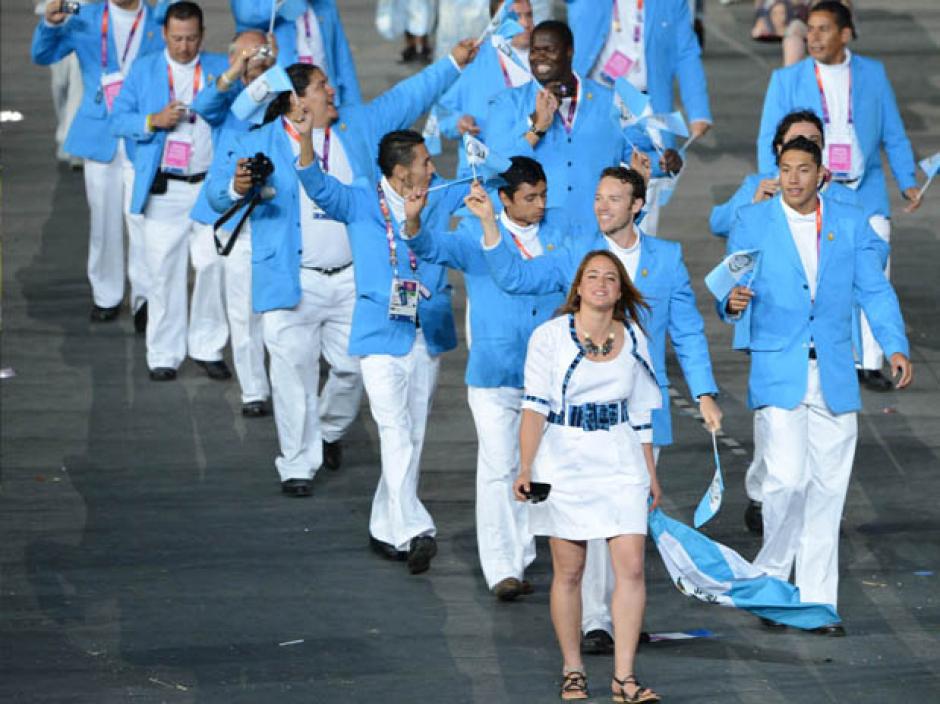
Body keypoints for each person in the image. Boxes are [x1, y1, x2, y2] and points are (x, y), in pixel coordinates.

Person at [207, 42, 477, 493]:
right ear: (295, 100)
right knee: (292, 372)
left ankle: (329, 430)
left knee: (353, 369)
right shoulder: (256, 141)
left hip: (357, 279)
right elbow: (216, 197)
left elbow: (409, 95)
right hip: (292, 279)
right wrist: (236, 187)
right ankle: (296, 464)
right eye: (321, 86)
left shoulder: (358, 127)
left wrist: (453, 61)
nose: (332, 91)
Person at [481, 166, 721, 654]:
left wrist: (704, 393)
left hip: (638, 419)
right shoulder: (577, 254)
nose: (602, 206)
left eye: (614, 198)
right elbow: (516, 277)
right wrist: (491, 226)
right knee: (582, 534)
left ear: (638, 205)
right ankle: (595, 622)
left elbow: (689, 332)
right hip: (574, 431)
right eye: (598, 197)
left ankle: (607, 622)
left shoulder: (667, 259)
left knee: (622, 529)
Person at [722, 136, 912, 633]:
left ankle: (816, 602)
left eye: (803, 169)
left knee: (828, 490)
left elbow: (874, 287)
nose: (793, 179)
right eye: (786, 168)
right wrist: (732, 303)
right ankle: (770, 582)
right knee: (786, 480)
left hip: (833, 370)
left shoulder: (848, 223)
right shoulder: (754, 220)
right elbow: (729, 281)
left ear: (821, 173)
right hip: (778, 367)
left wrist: (895, 346)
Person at [291, 126, 473, 574]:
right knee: (393, 429)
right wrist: (306, 141)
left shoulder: (436, 194)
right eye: (425, 163)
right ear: (398, 171)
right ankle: (415, 530)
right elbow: (316, 183)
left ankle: (385, 528)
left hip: (424, 333)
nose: (433, 168)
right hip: (378, 334)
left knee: (411, 435)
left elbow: (479, 182)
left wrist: (529, 133)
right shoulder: (357, 202)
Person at [710, 109, 888, 535]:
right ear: (778, 152)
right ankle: (764, 491)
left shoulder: (843, 203)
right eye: (794, 146)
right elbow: (721, 229)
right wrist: (755, 204)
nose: (796, 173)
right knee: (776, 439)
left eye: (812, 145)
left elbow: (872, 262)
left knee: (812, 468)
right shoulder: (759, 193)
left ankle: (798, 552)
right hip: (771, 331)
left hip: (825, 341)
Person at [404, 159, 568, 599]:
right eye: (530, 198)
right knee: (500, 466)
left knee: (542, 467)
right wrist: (415, 218)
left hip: (551, 377)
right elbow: (430, 247)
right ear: (505, 198)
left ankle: (529, 549)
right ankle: (504, 568)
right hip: (495, 373)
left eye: (543, 195)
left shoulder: (563, 235)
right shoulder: (476, 235)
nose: (540, 205)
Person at [512, 250, 662, 702]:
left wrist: (650, 473)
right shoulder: (550, 337)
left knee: (632, 567)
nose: (600, 284)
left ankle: (624, 679)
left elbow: (640, 412)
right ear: (578, 287)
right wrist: (524, 467)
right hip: (565, 460)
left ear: (620, 291)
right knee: (570, 569)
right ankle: (573, 669)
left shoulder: (633, 336)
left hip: (619, 458)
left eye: (610, 278)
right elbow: (535, 407)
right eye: (592, 276)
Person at [757, 1, 921, 391]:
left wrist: (907, 179)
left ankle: (869, 361)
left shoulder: (872, 74)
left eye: (823, 29)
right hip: (817, 193)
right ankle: (828, 351)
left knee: (876, 269)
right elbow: (769, 138)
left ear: (845, 34)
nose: (813, 37)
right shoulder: (787, 80)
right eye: (809, 29)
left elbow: (892, 132)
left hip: (865, 190)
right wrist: (775, 183)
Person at [110, 1, 232, 381]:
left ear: (202, 35)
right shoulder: (144, 69)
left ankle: (207, 345)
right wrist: (152, 120)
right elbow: (118, 120)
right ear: (164, 34)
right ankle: (163, 351)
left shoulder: (216, 70)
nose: (184, 46)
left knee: (212, 266)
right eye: (177, 38)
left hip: (208, 187)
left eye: (192, 38)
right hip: (164, 188)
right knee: (163, 271)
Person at [31, 0, 164, 325]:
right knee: (104, 220)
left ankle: (145, 298)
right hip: (100, 132)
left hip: (144, 132)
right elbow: (42, 55)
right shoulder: (84, 17)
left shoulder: (161, 16)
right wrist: (49, 25)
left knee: (144, 221)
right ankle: (106, 294)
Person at [485, 20, 682, 231]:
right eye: (535, 51)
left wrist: (664, 164)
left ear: (569, 52)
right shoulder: (507, 103)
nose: (539, 57)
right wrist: (536, 124)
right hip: (535, 236)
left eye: (549, 50)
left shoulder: (609, 100)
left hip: (595, 234)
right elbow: (494, 164)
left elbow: (634, 152)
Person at [185, 29, 278, 416]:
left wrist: (273, 72)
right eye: (247, 53)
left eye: (261, 51)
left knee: (277, 310)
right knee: (238, 307)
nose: (255, 57)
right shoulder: (226, 99)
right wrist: (237, 70)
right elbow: (203, 104)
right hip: (227, 213)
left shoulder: (282, 89)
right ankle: (253, 390)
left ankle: (283, 372)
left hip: (277, 217)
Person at [564, 0, 712, 143]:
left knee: (656, 163)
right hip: (595, 98)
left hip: (647, 102)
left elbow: (686, 53)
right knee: (597, 163)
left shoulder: (671, 2)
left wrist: (698, 111)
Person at [436, 0, 535, 179]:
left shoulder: (545, 58)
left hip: (531, 174)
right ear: (497, 22)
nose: (526, 24)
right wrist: (458, 122)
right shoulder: (473, 60)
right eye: (516, 17)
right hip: (483, 175)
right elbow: (442, 112)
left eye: (529, 15)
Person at [230, 0, 361, 107]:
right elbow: (245, 13)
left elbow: (343, 63)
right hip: (280, 100)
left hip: (324, 99)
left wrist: (354, 108)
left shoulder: (325, 4)